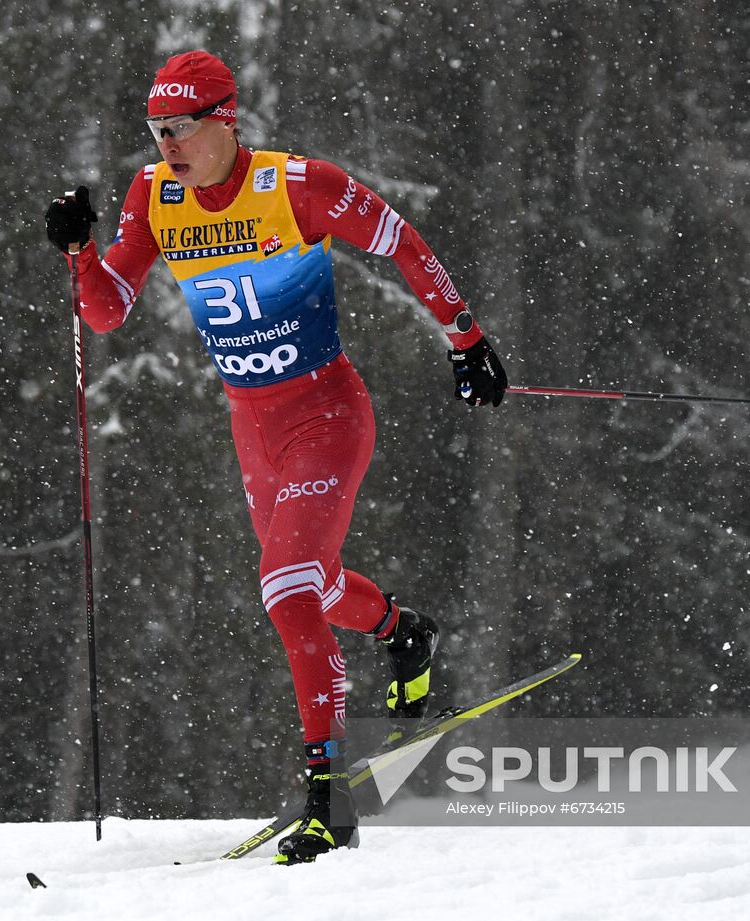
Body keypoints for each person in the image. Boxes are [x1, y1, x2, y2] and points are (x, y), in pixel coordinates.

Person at [45, 50, 507, 864]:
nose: (167, 147)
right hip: (252, 427)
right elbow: (108, 311)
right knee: (316, 585)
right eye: (156, 131)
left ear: (227, 120)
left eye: (182, 128)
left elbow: (403, 241)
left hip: (327, 414)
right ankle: (405, 632)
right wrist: (81, 252)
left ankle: (330, 802)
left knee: (286, 588)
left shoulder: (296, 185)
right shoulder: (156, 197)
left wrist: (465, 340)